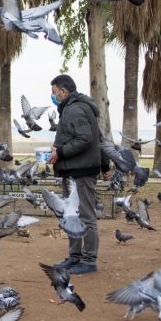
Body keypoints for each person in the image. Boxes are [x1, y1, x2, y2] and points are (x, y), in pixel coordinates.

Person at [48, 74, 111, 275]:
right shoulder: (78, 108)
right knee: (70, 214)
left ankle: (88, 260)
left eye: (54, 92)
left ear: (64, 91)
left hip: (81, 172)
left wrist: (60, 152)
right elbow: (98, 139)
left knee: (85, 215)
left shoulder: (74, 110)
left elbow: (86, 139)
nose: (53, 96)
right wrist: (105, 165)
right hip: (73, 170)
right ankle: (74, 257)